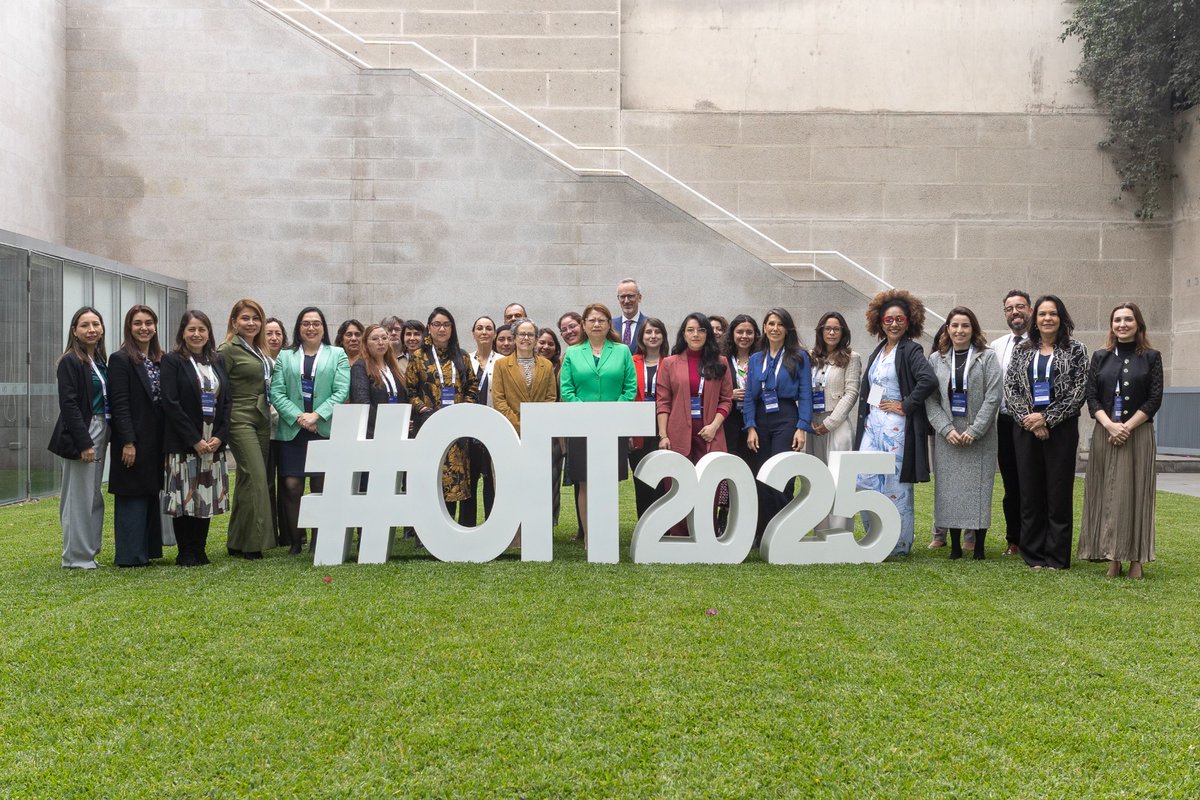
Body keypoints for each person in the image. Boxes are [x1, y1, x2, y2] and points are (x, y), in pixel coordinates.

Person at [1003, 294, 1088, 571]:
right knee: (1030, 493)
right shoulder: (1022, 349)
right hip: (1026, 429)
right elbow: (1011, 388)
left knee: (1058, 493)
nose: (1047, 318)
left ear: (1061, 318)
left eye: (1052, 314)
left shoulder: (1076, 349)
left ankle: (1056, 556)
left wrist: (1047, 419)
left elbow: (1078, 392)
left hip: (1061, 431)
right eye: (1042, 314)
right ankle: (1033, 555)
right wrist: (1031, 421)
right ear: (1034, 319)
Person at [1078, 303, 1162, 579]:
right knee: (1107, 493)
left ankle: (1136, 558)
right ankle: (1111, 556)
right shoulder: (1100, 357)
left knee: (1136, 494)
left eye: (1128, 319)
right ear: (1111, 325)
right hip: (1106, 432)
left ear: (1138, 324)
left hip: (1138, 434)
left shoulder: (1151, 357)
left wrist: (1126, 426)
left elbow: (1154, 398)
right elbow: (1092, 396)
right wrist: (1110, 425)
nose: (1122, 324)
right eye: (1117, 320)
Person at [854, 290, 938, 557]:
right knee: (863, 477)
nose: (893, 324)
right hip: (872, 423)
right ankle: (874, 535)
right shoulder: (879, 351)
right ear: (879, 322)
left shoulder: (911, 349)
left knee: (894, 485)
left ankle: (898, 545)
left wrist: (906, 404)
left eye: (899, 318)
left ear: (908, 320)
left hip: (895, 426)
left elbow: (928, 380)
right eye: (887, 320)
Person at [270, 306, 351, 555]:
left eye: (316, 323)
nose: (311, 327)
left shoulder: (337, 354)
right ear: (298, 327)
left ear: (323, 327)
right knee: (292, 486)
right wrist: (299, 417)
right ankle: (295, 541)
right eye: (306, 323)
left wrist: (317, 415)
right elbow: (276, 391)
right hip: (293, 430)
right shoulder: (286, 356)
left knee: (320, 487)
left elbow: (342, 390)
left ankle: (318, 539)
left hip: (323, 428)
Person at [925, 307, 1002, 560]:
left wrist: (975, 430)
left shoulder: (987, 358)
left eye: (965, 325)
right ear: (947, 328)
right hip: (948, 436)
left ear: (974, 329)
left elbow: (993, 397)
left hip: (979, 436)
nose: (960, 330)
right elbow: (931, 399)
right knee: (950, 491)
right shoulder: (937, 358)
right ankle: (956, 546)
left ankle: (978, 546)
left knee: (978, 490)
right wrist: (946, 429)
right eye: (955, 325)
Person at [559, 302, 637, 539]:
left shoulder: (622, 351)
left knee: (608, 481)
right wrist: (587, 414)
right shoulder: (572, 353)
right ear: (584, 324)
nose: (596, 324)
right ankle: (590, 537)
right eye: (591, 320)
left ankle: (606, 536)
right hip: (582, 427)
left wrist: (613, 412)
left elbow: (630, 387)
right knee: (584, 482)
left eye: (601, 320)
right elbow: (566, 390)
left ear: (608, 324)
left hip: (613, 427)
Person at [160, 310, 232, 566]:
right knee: (184, 497)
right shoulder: (172, 361)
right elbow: (170, 403)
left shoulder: (217, 361)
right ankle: (185, 551)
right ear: (182, 333)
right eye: (191, 329)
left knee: (205, 494)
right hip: (184, 443)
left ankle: (200, 550)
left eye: (202, 329)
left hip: (212, 443)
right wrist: (194, 439)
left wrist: (220, 438)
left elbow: (226, 403)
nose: (197, 334)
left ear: (208, 333)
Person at [655, 313, 733, 536]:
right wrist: (663, 434)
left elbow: (726, 399)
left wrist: (715, 425)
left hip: (710, 434)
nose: (695, 334)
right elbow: (663, 402)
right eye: (690, 330)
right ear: (683, 334)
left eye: (700, 330)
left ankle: (705, 533)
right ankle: (679, 534)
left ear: (707, 333)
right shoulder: (670, 363)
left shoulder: (721, 362)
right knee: (677, 485)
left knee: (711, 485)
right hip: (678, 434)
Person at [743, 308, 814, 542]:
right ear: (764, 328)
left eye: (780, 324)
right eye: (771, 324)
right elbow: (749, 397)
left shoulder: (799, 356)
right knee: (762, 476)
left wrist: (802, 427)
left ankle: (786, 531)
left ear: (787, 329)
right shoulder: (756, 359)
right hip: (761, 418)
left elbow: (805, 393)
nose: (775, 328)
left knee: (780, 476)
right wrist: (750, 426)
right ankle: (764, 531)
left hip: (786, 416)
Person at [48, 307, 111, 569]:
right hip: (85, 431)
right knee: (78, 496)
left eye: (96, 324)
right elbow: (69, 405)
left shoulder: (98, 360)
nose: (91, 329)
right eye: (85, 325)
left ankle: (89, 551)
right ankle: (76, 557)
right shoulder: (69, 361)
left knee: (93, 494)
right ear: (74, 330)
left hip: (102, 427)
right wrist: (84, 442)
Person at [107, 305, 166, 567]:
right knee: (132, 494)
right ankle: (130, 555)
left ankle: (148, 550)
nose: (144, 328)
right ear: (129, 328)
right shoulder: (120, 359)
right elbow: (119, 403)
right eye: (138, 323)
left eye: (149, 322)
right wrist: (128, 441)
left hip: (156, 439)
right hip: (132, 438)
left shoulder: (160, 359)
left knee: (150, 491)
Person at [406, 307, 478, 516]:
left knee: (455, 478)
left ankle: (451, 525)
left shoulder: (462, 356)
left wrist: (465, 407)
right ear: (429, 328)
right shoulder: (418, 357)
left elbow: (472, 386)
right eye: (437, 324)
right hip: (429, 425)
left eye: (446, 324)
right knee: (430, 475)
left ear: (452, 328)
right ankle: (425, 528)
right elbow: (410, 391)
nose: (441, 329)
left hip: (456, 429)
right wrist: (423, 408)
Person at [217, 299, 275, 560]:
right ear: (234, 322)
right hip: (239, 418)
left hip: (262, 417)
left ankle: (236, 540)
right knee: (256, 477)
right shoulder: (227, 350)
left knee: (245, 480)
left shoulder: (260, 349)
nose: (251, 323)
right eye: (245, 318)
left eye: (255, 318)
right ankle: (253, 544)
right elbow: (220, 390)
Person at [493, 318, 558, 547]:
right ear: (514, 337)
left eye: (531, 334)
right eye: (522, 334)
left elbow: (551, 398)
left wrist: (537, 424)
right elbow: (499, 401)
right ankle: (513, 535)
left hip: (539, 436)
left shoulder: (546, 366)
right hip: (512, 434)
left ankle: (536, 533)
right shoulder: (501, 365)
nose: (526, 338)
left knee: (537, 485)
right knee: (513, 485)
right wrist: (522, 424)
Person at [806, 311, 862, 534]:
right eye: (827, 328)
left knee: (839, 480)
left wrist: (830, 422)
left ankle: (839, 532)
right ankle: (821, 530)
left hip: (837, 424)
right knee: (817, 479)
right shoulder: (810, 357)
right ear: (820, 331)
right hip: (812, 424)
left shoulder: (852, 357)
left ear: (843, 332)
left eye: (836, 329)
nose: (831, 332)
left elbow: (851, 392)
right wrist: (808, 419)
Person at [988, 290, 1032, 556]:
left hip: (1031, 422)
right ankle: (1014, 539)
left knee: (1032, 483)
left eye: (1020, 307)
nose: (1015, 312)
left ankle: (1034, 537)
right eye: (1009, 308)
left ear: (1030, 309)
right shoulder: (996, 346)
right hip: (1005, 422)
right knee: (1011, 485)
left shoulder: (1041, 343)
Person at [629, 318, 670, 517]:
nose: (653, 336)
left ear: (663, 336)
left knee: (663, 478)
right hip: (637, 425)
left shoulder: (672, 361)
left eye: (657, 332)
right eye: (648, 332)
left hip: (665, 425)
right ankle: (644, 524)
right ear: (641, 337)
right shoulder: (631, 361)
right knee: (642, 478)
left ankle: (664, 525)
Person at [463, 316, 499, 527]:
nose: (484, 332)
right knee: (469, 479)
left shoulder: (503, 361)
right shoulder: (464, 360)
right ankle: (467, 525)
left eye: (488, 328)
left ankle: (492, 525)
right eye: (479, 328)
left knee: (491, 480)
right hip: (468, 430)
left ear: (494, 333)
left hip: (493, 428)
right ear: (473, 333)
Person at [350, 323, 408, 436]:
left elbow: (403, 397)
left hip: (397, 429)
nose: (381, 342)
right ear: (366, 344)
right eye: (375, 339)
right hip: (374, 432)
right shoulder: (360, 366)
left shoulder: (392, 367)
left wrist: (404, 420)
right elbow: (363, 403)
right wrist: (384, 423)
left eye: (384, 338)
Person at [535, 327, 566, 527]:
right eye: (542, 342)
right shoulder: (529, 365)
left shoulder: (560, 367)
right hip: (532, 429)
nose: (546, 346)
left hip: (555, 432)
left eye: (550, 343)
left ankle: (550, 521)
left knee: (553, 477)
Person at [264, 317, 288, 546]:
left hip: (287, 428)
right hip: (266, 431)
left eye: (277, 333)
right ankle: (270, 533)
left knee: (287, 482)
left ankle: (289, 534)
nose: (273, 338)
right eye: (269, 333)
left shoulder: (289, 360)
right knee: (267, 483)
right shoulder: (259, 361)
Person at [616, 279, 647, 348]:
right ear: (618, 299)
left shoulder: (649, 325)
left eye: (630, 296)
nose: (626, 301)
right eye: (622, 297)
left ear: (639, 298)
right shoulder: (610, 325)